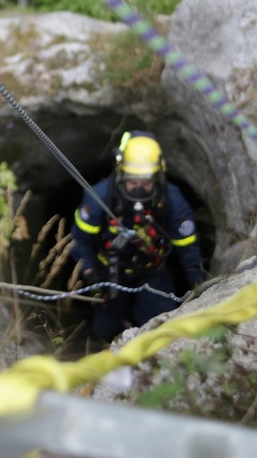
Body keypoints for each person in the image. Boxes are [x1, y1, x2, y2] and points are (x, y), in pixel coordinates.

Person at [71, 131, 206, 341]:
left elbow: (187, 245)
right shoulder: (99, 197)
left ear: (158, 176)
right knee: (103, 330)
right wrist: (92, 276)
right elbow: (79, 240)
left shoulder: (172, 200)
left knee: (162, 327)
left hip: (154, 272)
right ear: (121, 173)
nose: (139, 188)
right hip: (112, 272)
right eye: (132, 182)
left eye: (146, 183)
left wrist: (197, 283)